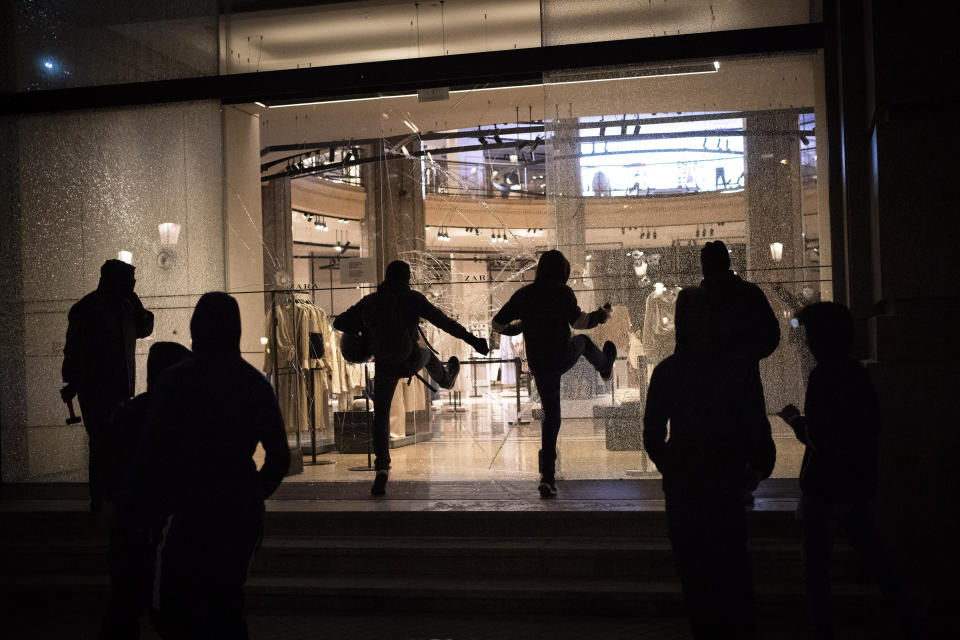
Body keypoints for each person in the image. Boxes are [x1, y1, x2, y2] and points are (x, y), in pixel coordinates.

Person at [124, 292, 290, 639]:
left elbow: (151, 453)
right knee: (227, 601)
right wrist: (252, 493)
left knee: (178, 601)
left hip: (188, 505)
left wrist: (147, 508)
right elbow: (279, 456)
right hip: (237, 505)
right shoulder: (253, 383)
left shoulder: (174, 382)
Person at [643, 287, 775, 640]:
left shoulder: (669, 371)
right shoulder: (736, 368)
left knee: (694, 574)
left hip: (686, 480)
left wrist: (670, 467)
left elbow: (653, 433)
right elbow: (755, 423)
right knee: (731, 565)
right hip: (726, 475)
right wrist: (758, 467)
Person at [777, 302, 914, 640]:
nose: (805, 342)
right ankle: (906, 614)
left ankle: (823, 630)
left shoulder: (823, 376)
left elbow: (819, 436)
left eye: (808, 335)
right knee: (873, 554)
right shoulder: (857, 373)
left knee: (817, 572)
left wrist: (795, 420)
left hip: (825, 487)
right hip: (856, 483)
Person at [333, 260, 489, 496]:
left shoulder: (371, 301)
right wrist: (475, 341)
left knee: (381, 416)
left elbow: (339, 322)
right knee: (427, 355)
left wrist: (366, 329)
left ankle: (382, 469)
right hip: (409, 360)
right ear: (406, 278)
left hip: (384, 364)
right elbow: (446, 323)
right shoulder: (412, 298)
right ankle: (446, 380)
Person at [491, 250, 616, 498]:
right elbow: (580, 322)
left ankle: (547, 477)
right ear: (563, 271)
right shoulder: (562, 292)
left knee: (552, 417)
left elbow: (496, 324)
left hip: (539, 364)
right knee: (582, 341)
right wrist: (601, 315)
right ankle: (605, 367)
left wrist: (518, 329)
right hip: (561, 355)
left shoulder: (523, 294)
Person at [99, 341, 191, 640]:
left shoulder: (130, 412)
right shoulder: (178, 417)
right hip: (157, 521)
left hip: (131, 520)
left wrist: (109, 500)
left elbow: (109, 463)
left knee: (125, 604)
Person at [62, 258, 154, 512]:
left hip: (121, 387)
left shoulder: (125, 306)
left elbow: (145, 328)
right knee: (102, 441)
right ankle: (100, 497)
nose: (133, 286)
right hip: (96, 389)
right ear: (113, 280)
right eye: (129, 281)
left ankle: (110, 495)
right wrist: (72, 381)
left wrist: (137, 305)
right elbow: (74, 350)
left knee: (117, 441)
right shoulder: (87, 309)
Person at [699, 240, 780, 365]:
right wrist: (748, 356)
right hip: (746, 377)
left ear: (704, 267)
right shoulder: (750, 292)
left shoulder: (697, 299)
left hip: (708, 377)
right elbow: (771, 334)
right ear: (728, 262)